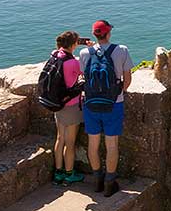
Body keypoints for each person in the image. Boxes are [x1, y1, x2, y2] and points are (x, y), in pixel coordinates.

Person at [74, 19, 132, 196]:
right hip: (113, 104)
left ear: (94, 35)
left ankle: (97, 180)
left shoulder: (84, 52)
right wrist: (118, 93)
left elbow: (84, 76)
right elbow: (127, 79)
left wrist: (92, 49)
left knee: (93, 143)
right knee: (111, 144)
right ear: (108, 33)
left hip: (91, 103)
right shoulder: (121, 50)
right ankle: (109, 183)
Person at [47, 31, 85, 184]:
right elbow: (85, 72)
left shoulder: (54, 56)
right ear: (74, 44)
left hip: (57, 103)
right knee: (70, 142)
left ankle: (58, 173)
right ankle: (69, 173)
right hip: (70, 104)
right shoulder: (73, 63)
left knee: (60, 138)